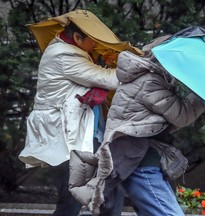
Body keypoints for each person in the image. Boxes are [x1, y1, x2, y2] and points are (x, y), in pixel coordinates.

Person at [69, 36, 205, 215]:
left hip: (137, 158)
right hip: (140, 163)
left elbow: (163, 122)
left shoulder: (150, 78)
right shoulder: (150, 82)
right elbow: (181, 115)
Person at [18, 10, 121, 216]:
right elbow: (109, 80)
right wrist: (121, 66)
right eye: (92, 41)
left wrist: (109, 63)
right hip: (67, 137)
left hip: (80, 133)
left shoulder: (73, 51)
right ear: (76, 38)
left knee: (109, 187)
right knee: (72, 197)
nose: (95, 45)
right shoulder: (65, 55)